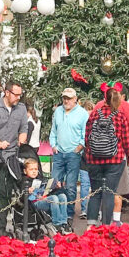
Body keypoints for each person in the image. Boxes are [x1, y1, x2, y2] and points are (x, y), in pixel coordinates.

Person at [0, 79, 28, 235]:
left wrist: (22, 140)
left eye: (20, 95)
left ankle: (0, 227)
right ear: (7, 92)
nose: (18, 98)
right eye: (16, 95)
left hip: (10, 157)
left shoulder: (21, 109)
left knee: (5, 192)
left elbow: (23, 128)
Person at [84, 87, 129, 227]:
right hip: (115, 159)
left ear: (104, 98)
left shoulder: (94, 115)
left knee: (95, 192)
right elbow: (127, 140)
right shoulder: (119, 116)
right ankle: (106, 225)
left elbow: (87, 137)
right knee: (109, 192)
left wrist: (89, 153)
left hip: (94, 159)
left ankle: (91, 224)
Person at [49, 88, 88, 223]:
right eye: (64, 98)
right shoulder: (58, 111)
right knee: (54, 183)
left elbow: (85, 133)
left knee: (71, 186)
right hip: (59, 153)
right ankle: (55, 210)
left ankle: (69, 213)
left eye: (69, 98)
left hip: (73, 154)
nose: (66, 100)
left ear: (75, 99)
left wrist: (79, 148)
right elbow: (53, 130)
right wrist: (53, 145)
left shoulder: (83, 114)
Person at [23, 157, 70, 232]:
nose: (34, 171)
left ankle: (64, 222)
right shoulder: (24, 181)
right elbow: (21, 196)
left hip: (45, 199)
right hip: (35, 203)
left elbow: (49, 191)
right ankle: (56, 223)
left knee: (62, 196)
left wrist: (56, 187)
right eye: (31, 169)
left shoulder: (41, 179)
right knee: (54, 198)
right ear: (25, 171)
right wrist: (27, 190)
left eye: (35, 169)